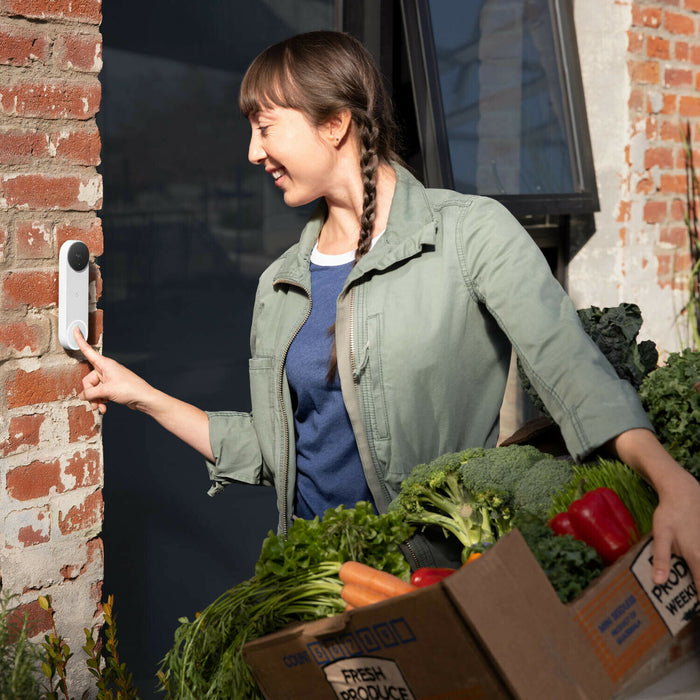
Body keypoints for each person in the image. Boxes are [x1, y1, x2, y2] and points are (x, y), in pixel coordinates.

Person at [75, 31, 700, 581]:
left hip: (439, 584)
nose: (252, 152)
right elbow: (277, 451)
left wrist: (673, 484)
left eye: (265, 128)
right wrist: (143, 396)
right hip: (315, 587)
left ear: (336, 124)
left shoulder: (470, 234)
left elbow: (574, 372)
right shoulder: (280, 284)